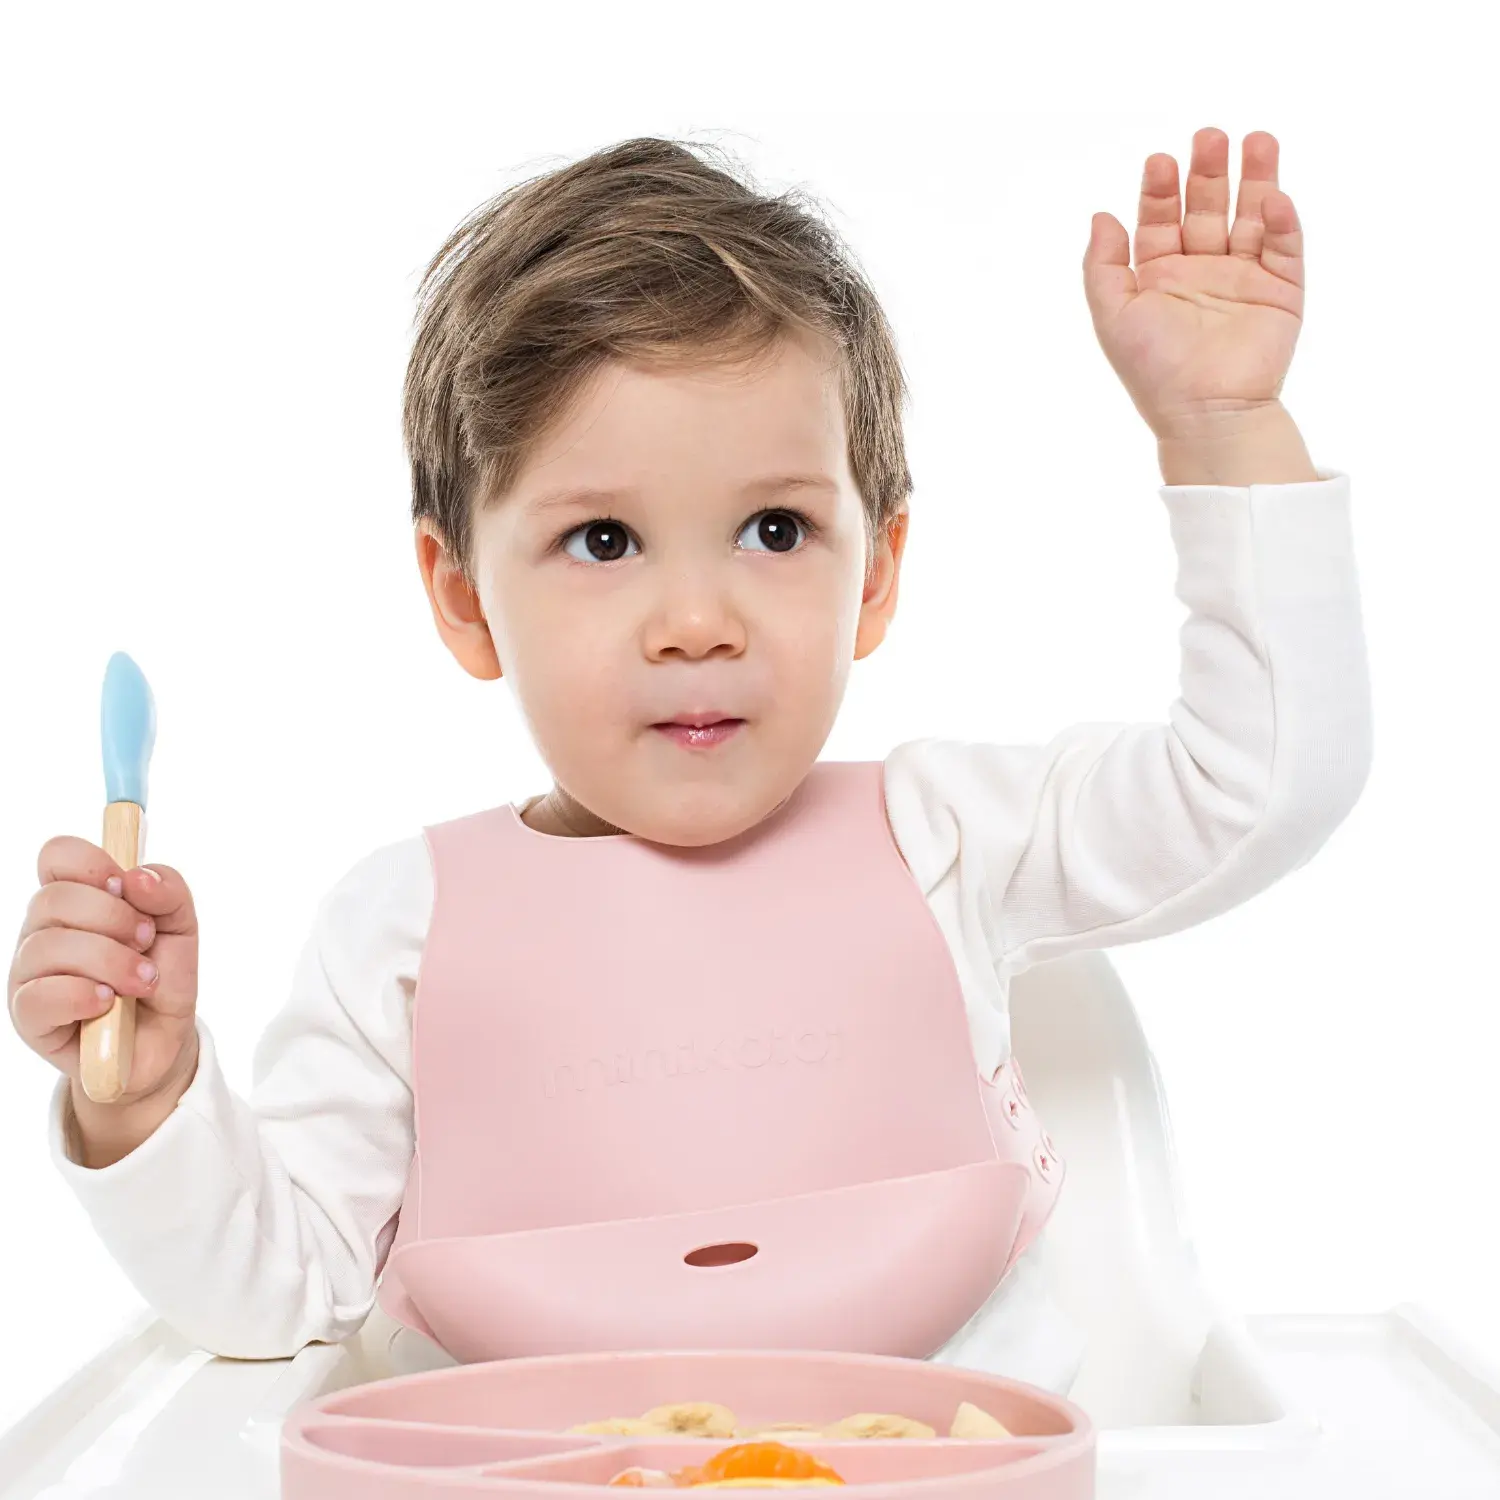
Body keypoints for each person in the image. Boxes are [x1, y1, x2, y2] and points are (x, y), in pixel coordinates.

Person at [7, 129, 1371, 1394]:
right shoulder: (401, 932)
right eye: (603, 541)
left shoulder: (954, 837)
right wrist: (145, 1104)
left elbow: (1255, 787)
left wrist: (1223, 431)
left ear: (875, 571)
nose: (699, 622)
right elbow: (278, 1298)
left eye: (775, 530)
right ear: (465, 596)